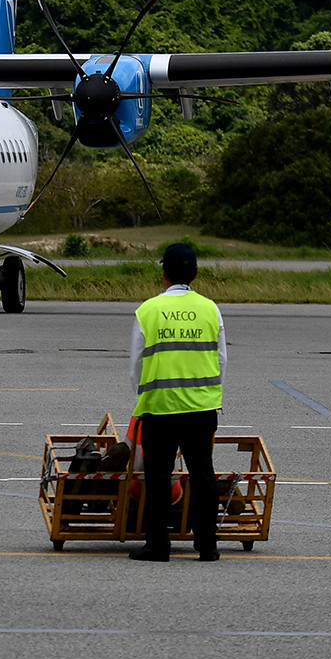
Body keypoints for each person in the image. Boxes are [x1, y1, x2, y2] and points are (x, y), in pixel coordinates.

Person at [128, 241, 226, 563]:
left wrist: (145, 397)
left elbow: (136, 367)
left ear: (164, 273)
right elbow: (221, 360)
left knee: (158, 475)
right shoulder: (211, 309)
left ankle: (158, 545)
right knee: (203, 473)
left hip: (160, 408)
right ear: (195, 273)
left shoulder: (148, 311)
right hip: (201, 408)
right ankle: (208, 545)